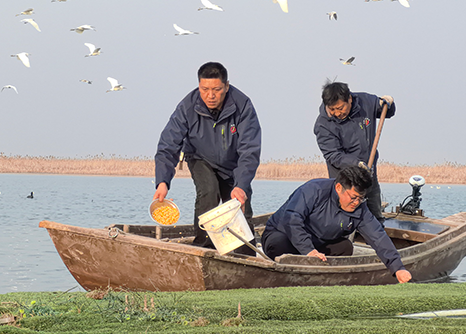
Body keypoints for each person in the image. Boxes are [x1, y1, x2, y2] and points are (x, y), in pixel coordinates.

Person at [154, 62, 261, 254]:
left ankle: (246, 256)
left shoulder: (242, 105)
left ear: (226, 86)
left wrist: (241, 185)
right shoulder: (187, 106)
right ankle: (203, 249)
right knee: (209, 191)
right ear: (199, 86)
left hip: (234, 164)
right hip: (200, 157)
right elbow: (168, 146)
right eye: (204, 89)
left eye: (216, 90)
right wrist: (162, 181)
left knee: (238, 206)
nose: (210, 95)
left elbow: (249, 150)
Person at [261, 166, 412, 283]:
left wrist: (397, 268)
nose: (356, 203)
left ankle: (319, 277)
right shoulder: (314, 190)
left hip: (319, 243)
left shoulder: (359, 208)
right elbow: (292, 218)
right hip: (283, 235)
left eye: (361, 198)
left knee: (345, 247)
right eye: (353, 197)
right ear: (339, 188)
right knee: (278, 244)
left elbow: (378, 236)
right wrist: (308, 250)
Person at [314, 81, 395, 222]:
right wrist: (357, 164)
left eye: (340, 108)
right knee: (344, 219)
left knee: (374, 215)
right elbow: (333, 155)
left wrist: (388, 104)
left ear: (349, 99)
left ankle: (377, 238)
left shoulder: (366, 102)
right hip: (344, 178)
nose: (336, 113)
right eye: (332, 109)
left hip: (369, 172)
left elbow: (385, 111)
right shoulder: (323, 125)